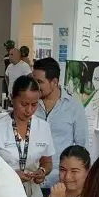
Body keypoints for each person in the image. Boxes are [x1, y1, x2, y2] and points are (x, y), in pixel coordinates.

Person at [32, 57, 89, 189]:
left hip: (60, 182)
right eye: (33, 80)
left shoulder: (74, 107)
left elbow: (82, 145)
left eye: (39, 81)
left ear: (54, 82)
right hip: (31, 178)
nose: (35, 86)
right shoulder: (30, 105)